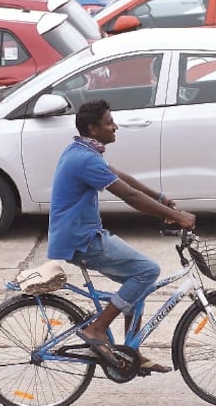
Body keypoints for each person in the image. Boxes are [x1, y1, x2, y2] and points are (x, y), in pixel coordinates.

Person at [48, 99, 195, 374]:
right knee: (147, 271)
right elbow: (129, 195)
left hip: (78, 236)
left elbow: (122, 178)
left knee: (137, 283)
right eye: (109, 123)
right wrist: (177, 216)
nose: (115, 127)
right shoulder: (85, 160)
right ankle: (97, 329)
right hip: (83, 240)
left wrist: (160, 198)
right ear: (93, 129)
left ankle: (131, 353)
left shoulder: (82, 151)